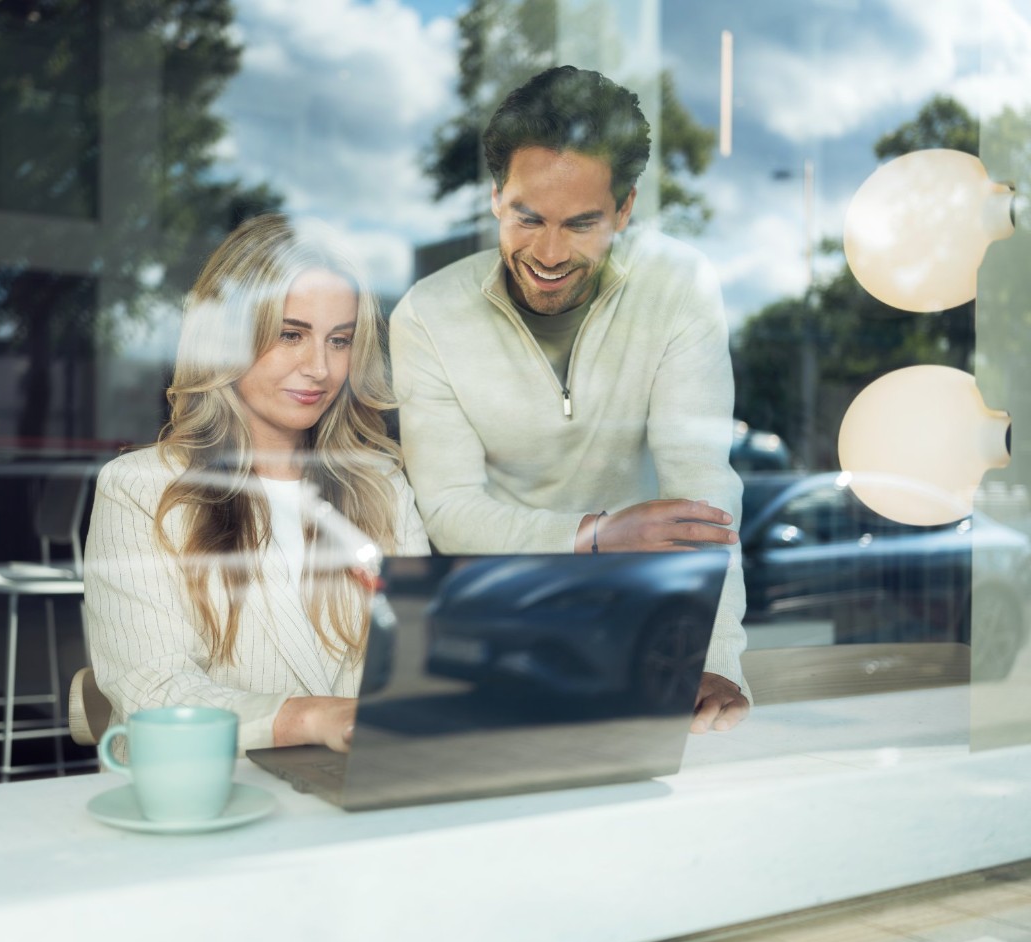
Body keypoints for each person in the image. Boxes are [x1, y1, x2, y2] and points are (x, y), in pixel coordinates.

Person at [389, 66, 750, 733]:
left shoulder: (678, 286)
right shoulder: (427, 315)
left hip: (646, 624)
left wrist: (717, 651)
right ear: (497, 197)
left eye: (581, 223)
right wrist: (594, 536)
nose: (549, 253)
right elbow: (448, 508)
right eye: (528, 218)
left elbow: (701, 488)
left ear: (624, 210)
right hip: (492, 631)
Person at [84, 214, 430, 756]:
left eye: (338, 341)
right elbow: (152, 690)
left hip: (364, 790)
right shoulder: (139, 489)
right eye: (291, 335)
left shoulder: (380, 484)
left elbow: (419, 656)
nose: (319, 368)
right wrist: (312, 718)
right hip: (211, 798)